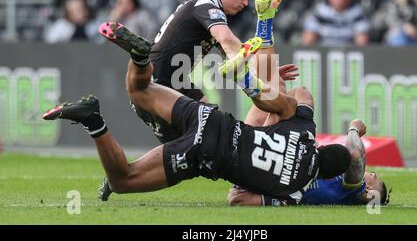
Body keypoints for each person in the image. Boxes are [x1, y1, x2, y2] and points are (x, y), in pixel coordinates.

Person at [42, 33, 351, 204]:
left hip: (213, 118)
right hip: (205, 154)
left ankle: (139, 57)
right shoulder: (295, 191)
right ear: (325, 177)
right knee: (123, 180)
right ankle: (93, 120)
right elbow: (237, 201)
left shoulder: (304, 132)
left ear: (323, 147)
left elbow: (303, 95)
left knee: (140, 89)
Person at [98, 0, 289, 143]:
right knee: (189, 150)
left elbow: (232, 55)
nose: (246, 3)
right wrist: (259, 75)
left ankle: (140, 55)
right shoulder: (208, 7)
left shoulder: (206, 8)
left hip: (176, 82)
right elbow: (229, 42)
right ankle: (116, 173)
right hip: (158, 85)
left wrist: (264, 73)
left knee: (213, 135)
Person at [227, 119, 390, 206]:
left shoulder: (355, 189)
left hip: (265, 172)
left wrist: (354, 128)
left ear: (369, 189)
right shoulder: (343, 194)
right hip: (263, 179)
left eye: (373, 175)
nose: (369, 171)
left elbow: (355, 155)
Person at [301, 0, 370, 46]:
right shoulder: (319, 13)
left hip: (347, 52)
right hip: (323, 52)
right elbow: (308, 38)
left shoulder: (357, 14)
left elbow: (362, 41)